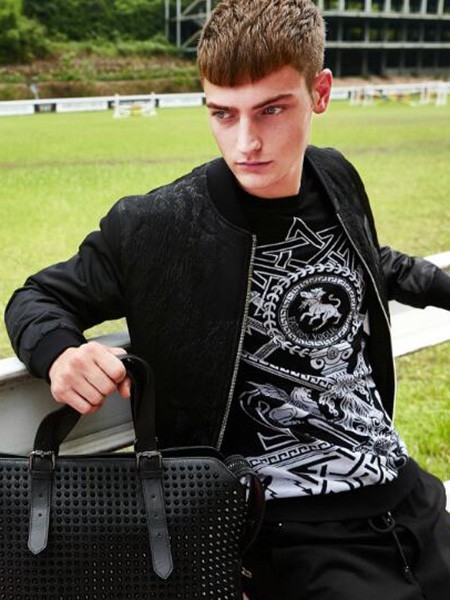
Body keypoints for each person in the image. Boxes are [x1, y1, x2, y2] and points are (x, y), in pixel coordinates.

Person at [5, 0, 450, 598]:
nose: (246, 142)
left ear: (319, 93)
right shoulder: (157, 225)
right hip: (283, 531)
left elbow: (372, 259)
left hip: (406, 494)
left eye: (272, 109)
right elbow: (36, 297)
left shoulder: (335, 175)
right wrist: (61, 353)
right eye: (223, 113)